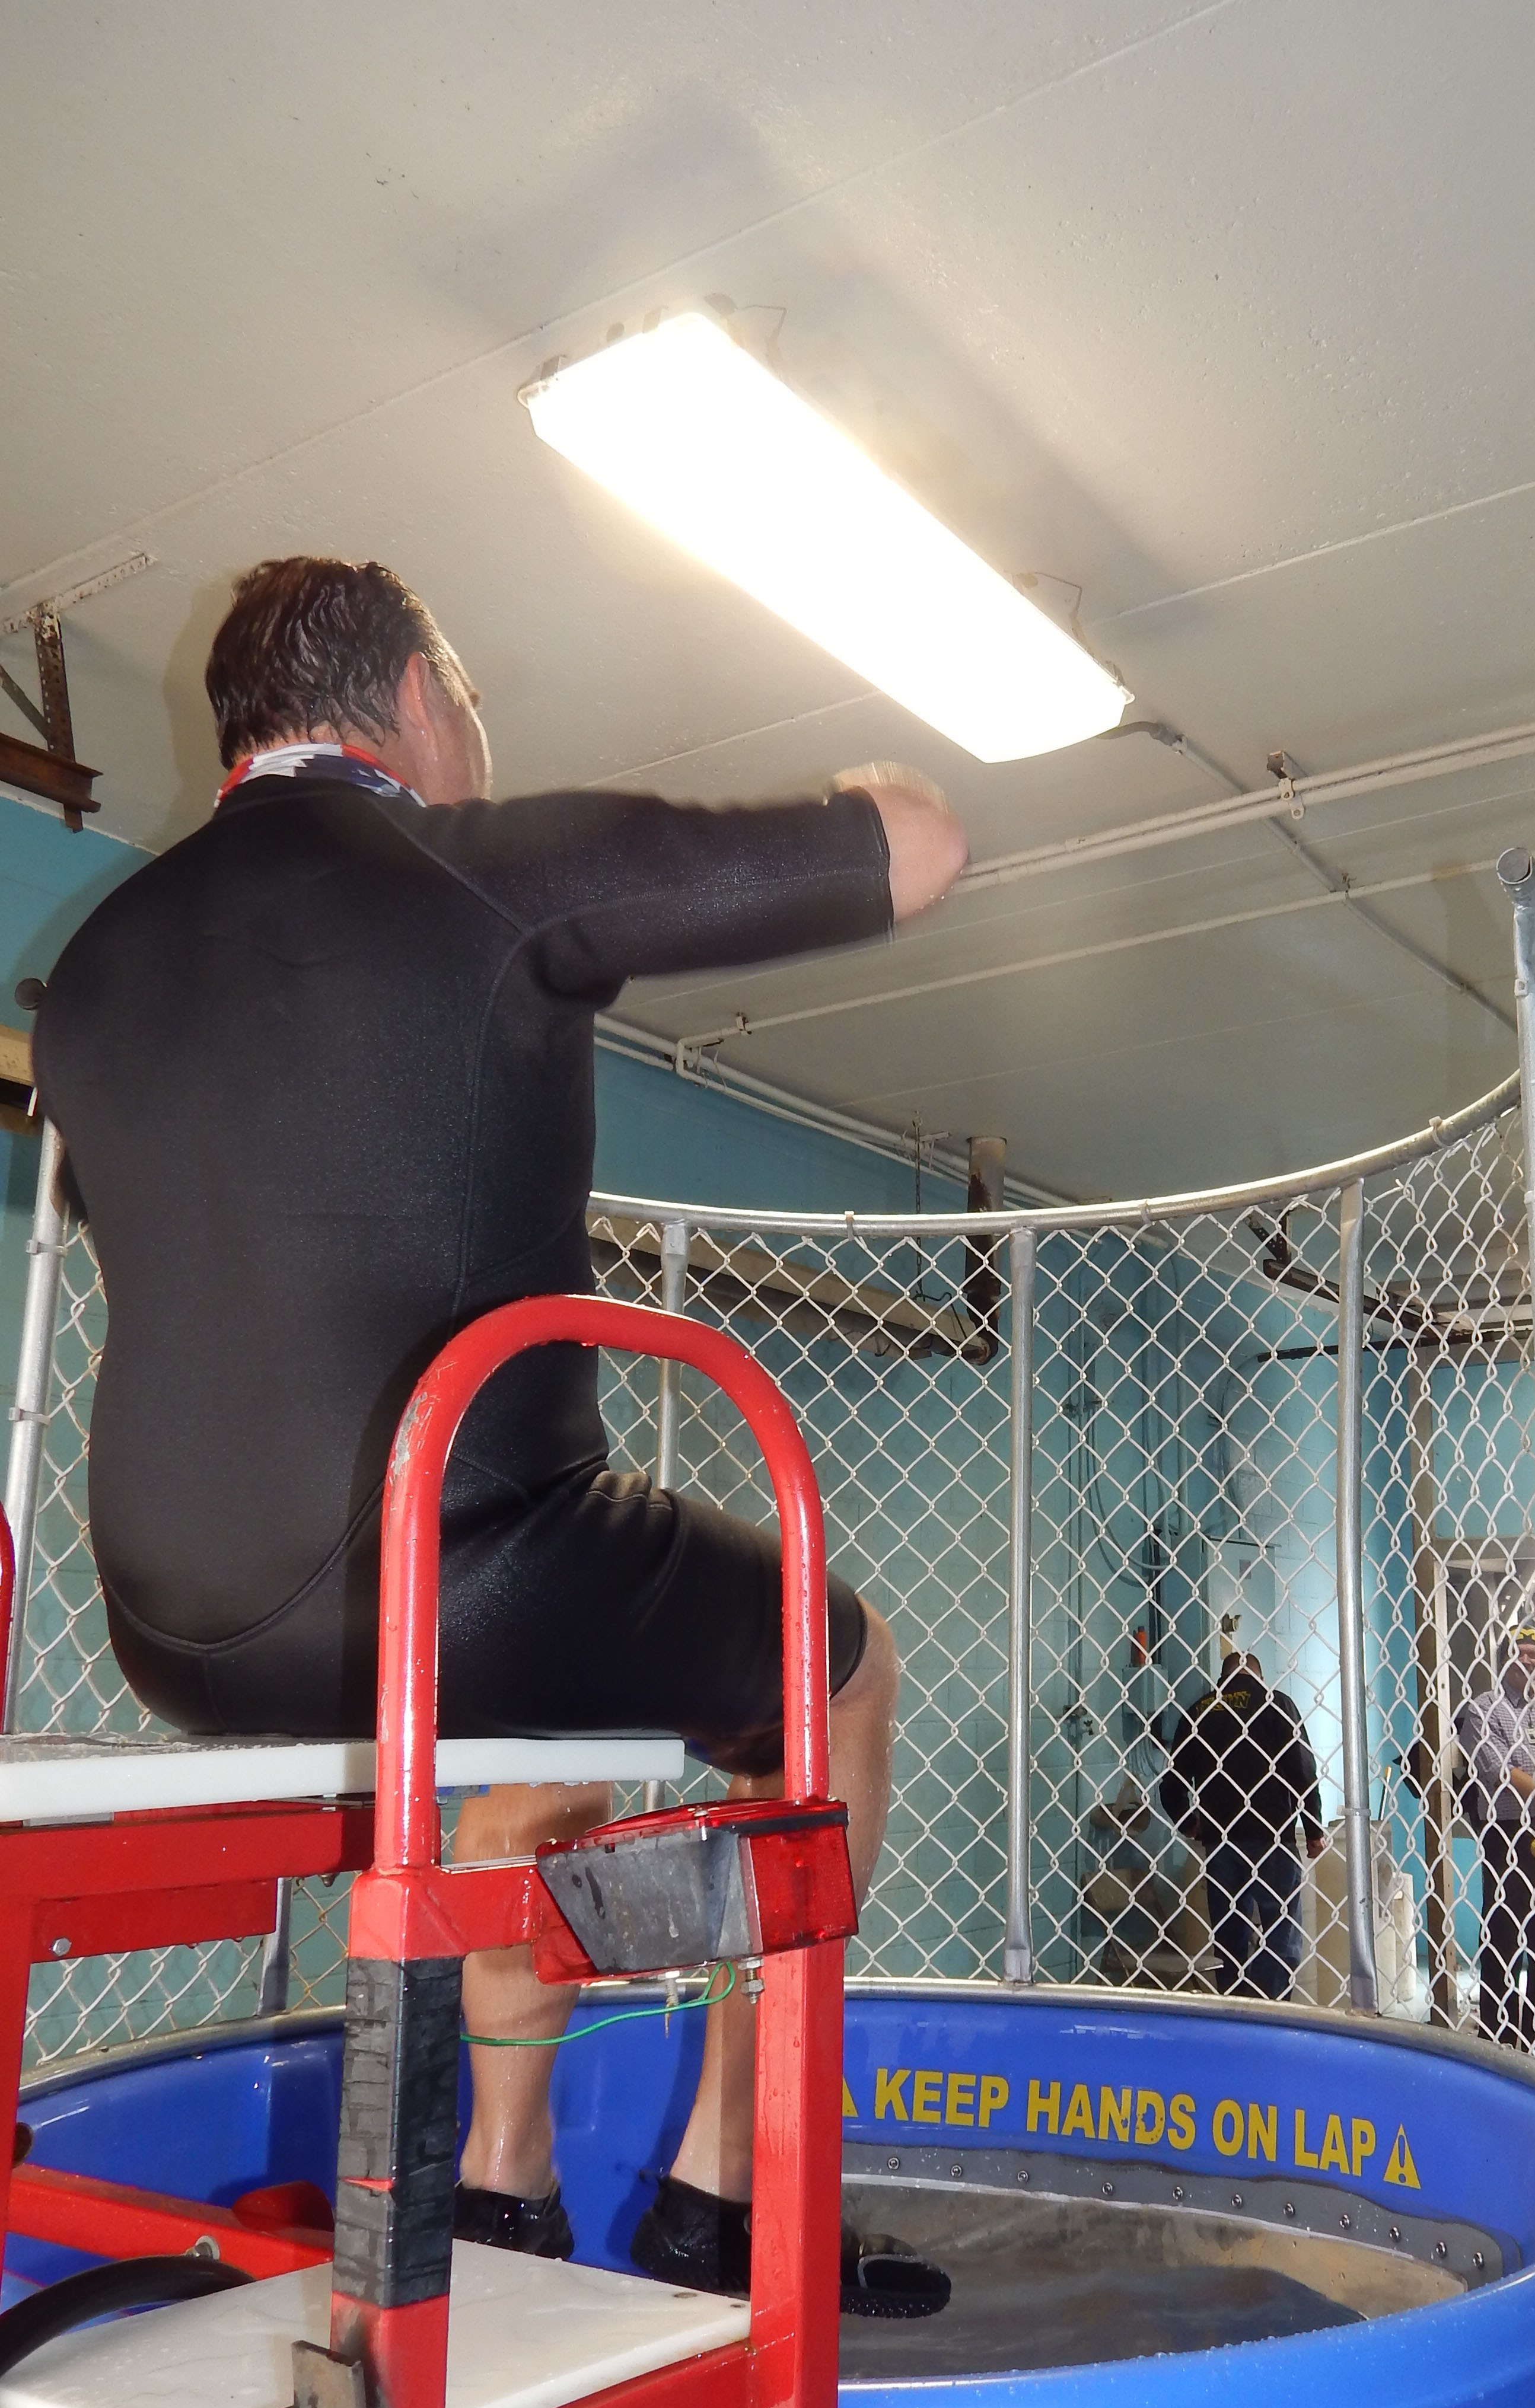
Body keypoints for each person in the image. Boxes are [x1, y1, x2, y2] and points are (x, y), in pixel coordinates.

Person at [31, 556, 971, 2308]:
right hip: (456, 1575)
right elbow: (917, 847)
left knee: (541, 1728)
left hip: (174, 1628)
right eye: (468, 696)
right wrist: (863, 787)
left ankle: (504, 2184)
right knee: (836, 1665)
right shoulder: (473, 872)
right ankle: (735, 2188)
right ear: (413, 695)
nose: (479, 731)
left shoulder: (94, 966)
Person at [1159, 1650, 1324, 2000]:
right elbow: (1302, 1770)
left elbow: (1171, 1783)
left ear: (1223, 1680)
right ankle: (1272, 2008)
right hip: (1272, 1838)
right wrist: (1313, 1828)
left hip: (1222, 1841)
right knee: (1280, 1931)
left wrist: (1189, 1823)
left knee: (1229, 1936)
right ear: (1260, 1678)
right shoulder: (1277, 1705)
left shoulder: (1199, 1711)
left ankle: (1235, 2005)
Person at [1453, 1624, 1535, 2058]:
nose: (1526, 1660)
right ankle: (1498, 2039)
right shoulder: (1483, 1709)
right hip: (1508, 1834)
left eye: (1534, 1653)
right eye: (1518, 1652)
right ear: (1504, 1661)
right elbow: (1498, 1769)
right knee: (1503, 1934)